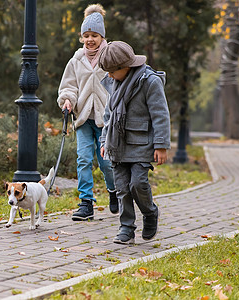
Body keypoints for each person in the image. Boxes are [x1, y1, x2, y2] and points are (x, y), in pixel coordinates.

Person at [98, 41, 171, 244]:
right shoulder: (113, 82)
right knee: (122, 187)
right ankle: (126, 227)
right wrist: (104, 139)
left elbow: (160, 114)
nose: (109, 76)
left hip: (141, 143)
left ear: (126, 66)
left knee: (137, 183)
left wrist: (161, 145)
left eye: (112, 72)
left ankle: (150, 213)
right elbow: (108, 115)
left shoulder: (149, 81)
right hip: (117, 144)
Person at [57, 4, 117, 221]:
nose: (90, 39)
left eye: (94, 35)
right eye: (86, 36)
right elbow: (69, 86)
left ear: (102, 36)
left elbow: (118, 83)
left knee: (106, 163)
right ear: (82, 37)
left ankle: (114, 191)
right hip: (83, 118)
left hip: (105, 120)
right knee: (83, 159)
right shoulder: (76, 60)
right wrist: (67, 100)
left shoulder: (110, 57)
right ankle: (86, 203)